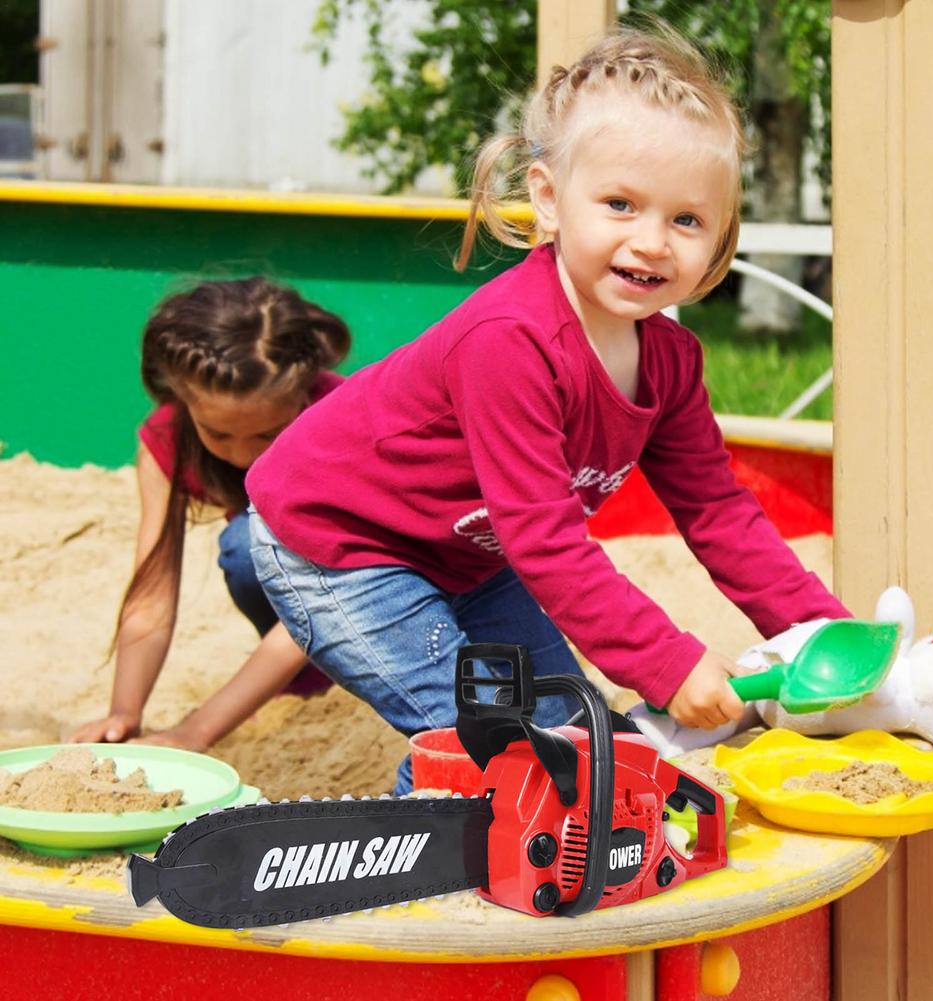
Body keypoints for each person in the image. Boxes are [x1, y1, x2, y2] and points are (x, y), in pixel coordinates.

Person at [245, 24, 850, 794]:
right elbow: (548, 541)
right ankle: (423, 872)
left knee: (576, 730)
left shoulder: (668, 360)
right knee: (498, 744)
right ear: (547, 198)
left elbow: (718, 514)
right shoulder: (511, 340)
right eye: (620, 204)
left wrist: (818, 631)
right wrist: (667, 661)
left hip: (472, 554)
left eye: (687, 220)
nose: (652, 241)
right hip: (340, 545)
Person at [71, 277, 351, 751]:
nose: (241, 455)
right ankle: (306, 683)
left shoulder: (344, 421)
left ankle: (327, 671)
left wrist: (196, 730)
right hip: (310, 593)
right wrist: (124, 714)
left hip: (402, 584)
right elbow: (152, 588)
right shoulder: (165, 438)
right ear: (183, 402)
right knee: (250, 548)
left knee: (250, 545)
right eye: (218, 434)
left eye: (266, 435)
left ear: (303, 395)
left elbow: (335, 595)